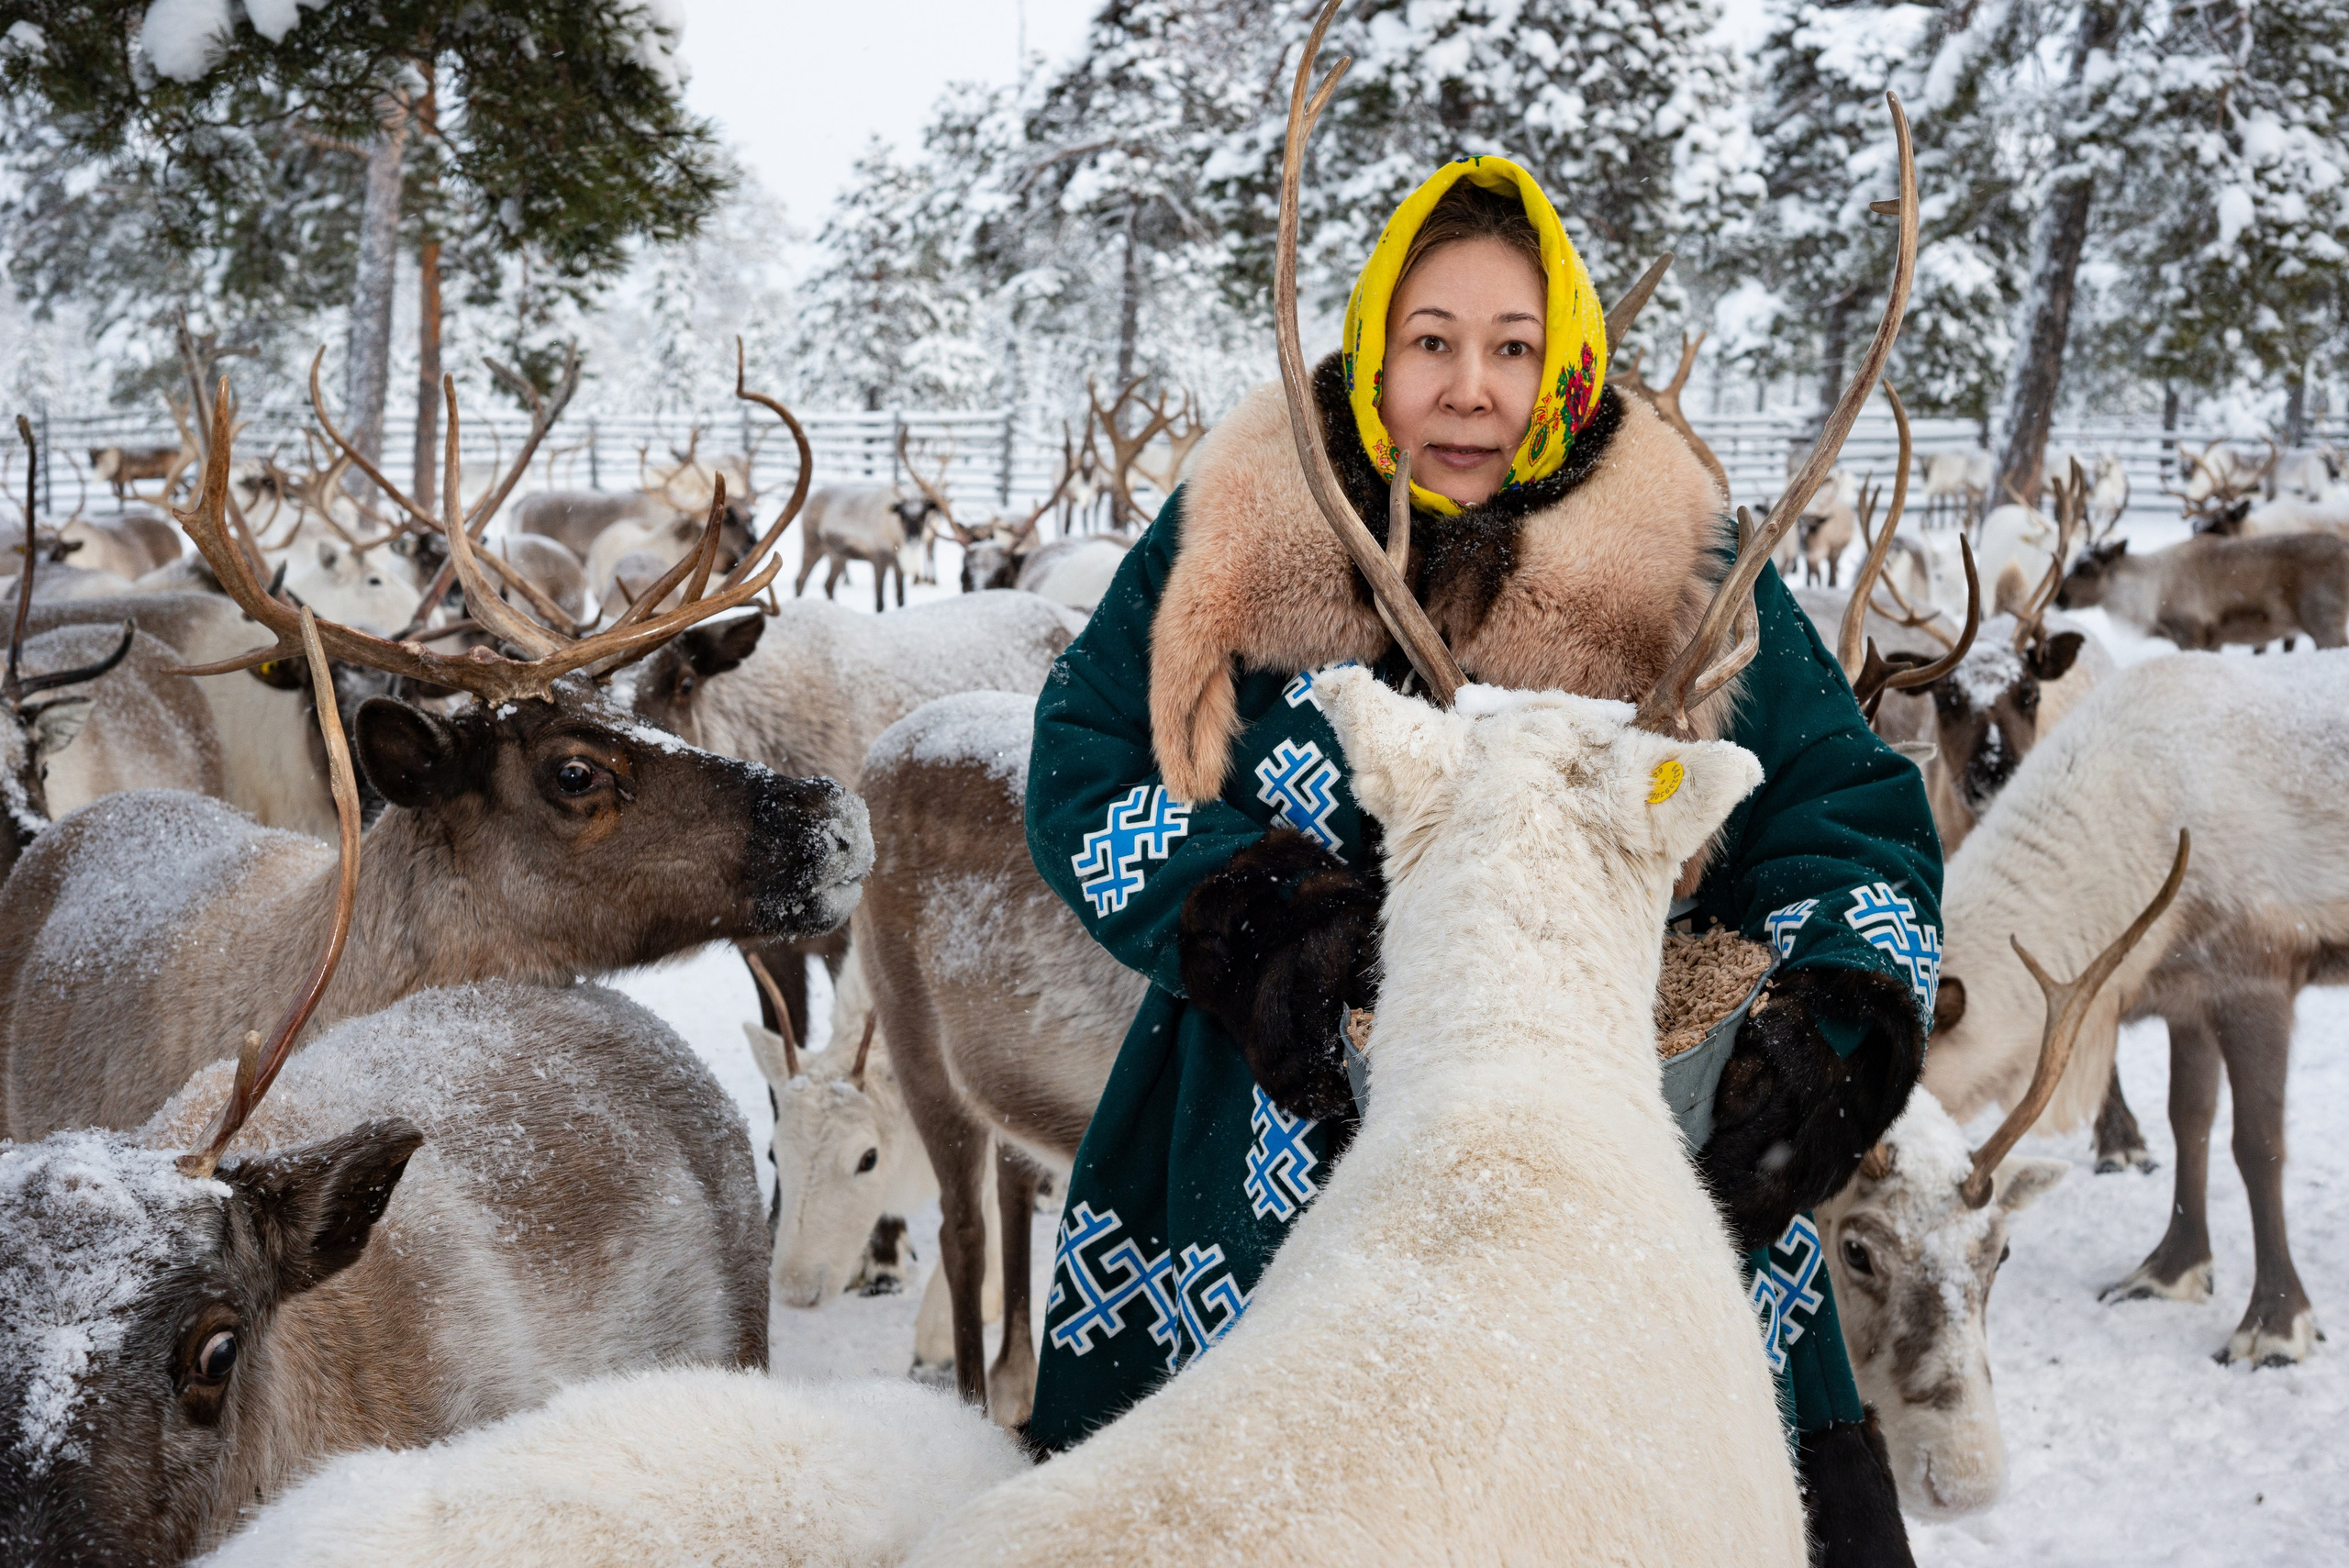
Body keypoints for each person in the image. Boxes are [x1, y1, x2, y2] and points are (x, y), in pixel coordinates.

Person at [1023, 156, 1935, 1567]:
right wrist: (1263, 920)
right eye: (1431, 344)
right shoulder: (1249, 522)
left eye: (1513, 349)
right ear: (1375, 346)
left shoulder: (1677, 557)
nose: (1470, 390)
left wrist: (1822, 1029)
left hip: (1617, 1127)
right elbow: (1090, 761)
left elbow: (1841, 806)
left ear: (1563, 358)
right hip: (1272, 1107)